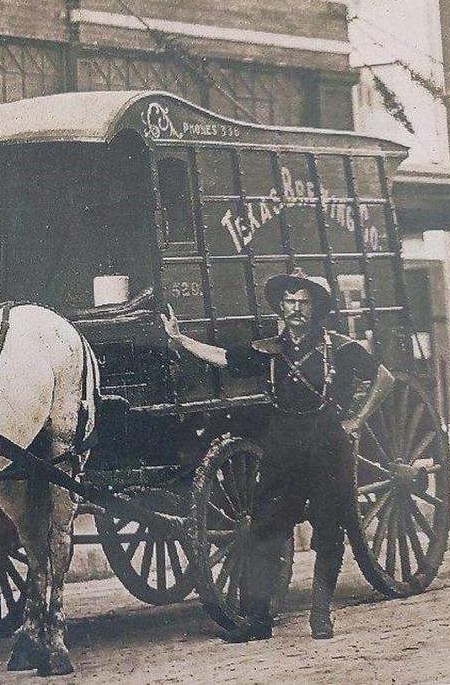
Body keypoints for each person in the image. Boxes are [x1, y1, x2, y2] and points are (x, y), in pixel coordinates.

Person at [162, 268, 394, 642]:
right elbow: (222, 357)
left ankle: (320, 615)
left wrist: (356, 419)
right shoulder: (268, 349)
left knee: (329, 533)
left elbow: (384, 378)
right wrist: (180, 338)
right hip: (282, 444)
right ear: (281, 307)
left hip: (326, 445)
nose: (296, 308)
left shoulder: (339, 347)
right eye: (290, 302)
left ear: (316, 307)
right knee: (263, 530)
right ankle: (258, 621)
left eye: (304, 302)